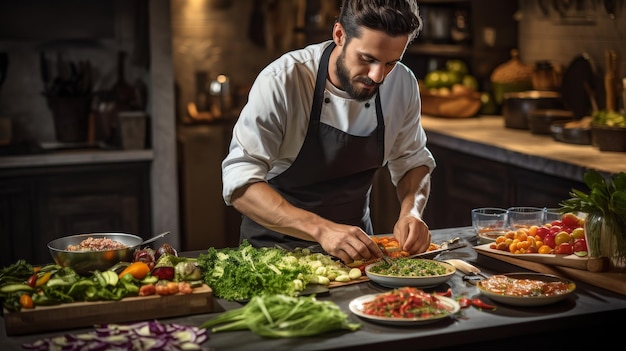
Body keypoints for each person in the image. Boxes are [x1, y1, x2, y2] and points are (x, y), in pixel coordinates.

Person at [221, 0, 436, 264]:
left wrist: (411, 212)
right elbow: (240, 181)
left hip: (358, 257)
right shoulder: (284, 79)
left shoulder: (402, 83)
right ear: (339, 35)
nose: (378, 76)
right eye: (368, 59)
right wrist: (322, 230)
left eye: (391, 62)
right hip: (273, 255)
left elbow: (413, 161)